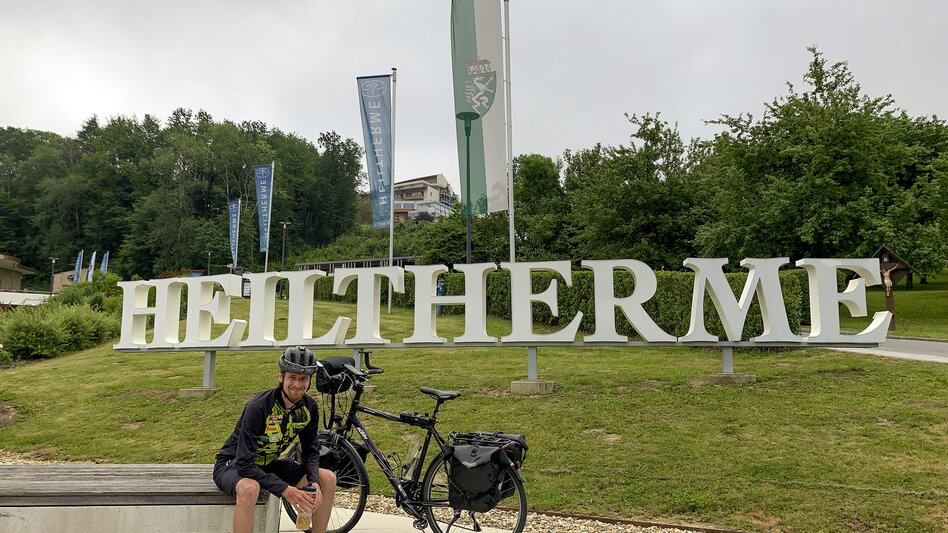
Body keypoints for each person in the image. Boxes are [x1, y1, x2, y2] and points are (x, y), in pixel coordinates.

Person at [213, 346, 336, 533]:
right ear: (281, 377)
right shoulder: (260, 406)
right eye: (292, 378)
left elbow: (311, 450)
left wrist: (314, 482)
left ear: (310, 380)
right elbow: (245, 463)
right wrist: (286, 490)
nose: (297, 384)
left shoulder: (309, 408)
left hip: (269, 464)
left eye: (303, 379)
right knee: (249, 488)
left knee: (327, 478)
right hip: (234, 464)